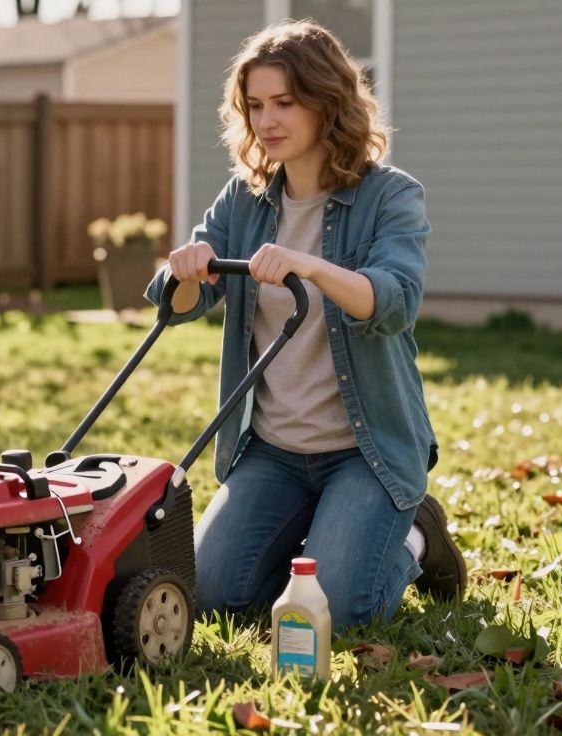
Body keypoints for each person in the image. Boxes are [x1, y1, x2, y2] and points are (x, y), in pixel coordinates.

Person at [145, 20, 465, 631]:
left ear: (327, 101)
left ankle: (415, 540)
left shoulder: (390, 196)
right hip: (272, 451)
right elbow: (178, 305)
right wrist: (184, 270)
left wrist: (312, 267)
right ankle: (322, 538)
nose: (267, 121)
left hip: (364, 451)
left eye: (285, 103)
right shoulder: (243, 200)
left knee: (336, 613)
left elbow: (394, 302)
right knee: (212, 597)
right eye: (256, 105)